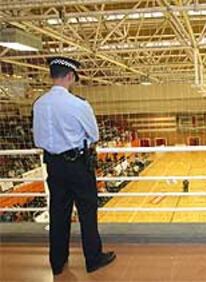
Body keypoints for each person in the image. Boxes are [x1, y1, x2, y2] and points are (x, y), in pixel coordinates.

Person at [32, 57, 116, 275]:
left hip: (53, 165)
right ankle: (93, 259)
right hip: (77, 165)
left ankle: (57, 262)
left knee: (58, 213)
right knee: (87, 212)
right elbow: (94, 134)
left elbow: (38, 139)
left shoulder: (39, 104)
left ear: (52, 75)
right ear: (70, 76)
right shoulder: (78, 104)